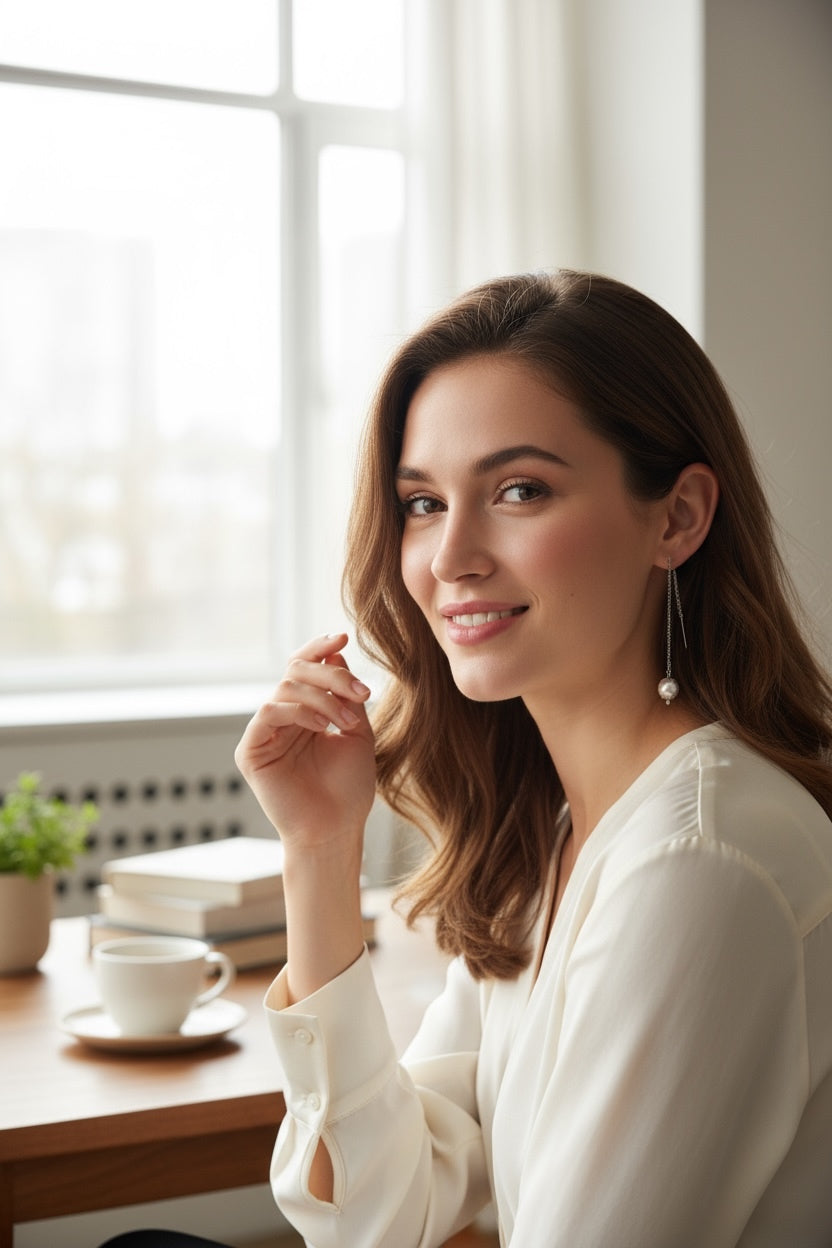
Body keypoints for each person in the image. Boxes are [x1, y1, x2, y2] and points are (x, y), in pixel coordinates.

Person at [105, 270, 832, 1247]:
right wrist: (320, 852)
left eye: (519, 490)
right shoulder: (560, 833)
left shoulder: (698, 862)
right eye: (422, 502)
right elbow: (379, 1214)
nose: (450, 558)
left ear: (677, 518)